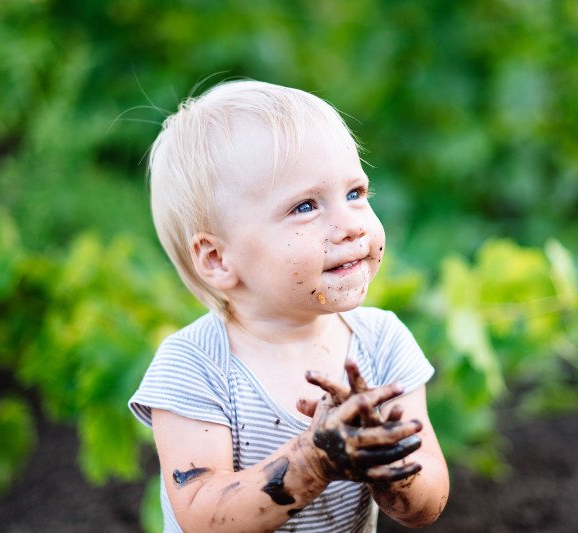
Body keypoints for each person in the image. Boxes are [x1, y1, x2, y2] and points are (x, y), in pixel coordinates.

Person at [128, 79, 449, 532]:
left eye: (355, 193)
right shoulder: (193, 367)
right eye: (305, 207)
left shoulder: (382, 343)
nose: (351, 225)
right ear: (219, 259)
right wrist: (313, 460)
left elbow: (426, 504)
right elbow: (203, 517)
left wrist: (385, 458)